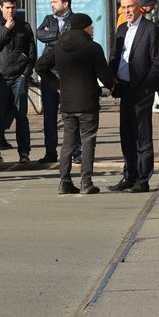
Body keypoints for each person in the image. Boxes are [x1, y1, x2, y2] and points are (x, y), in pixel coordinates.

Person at [36, 13, 116, 195]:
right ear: (84, 27)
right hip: (87, 102)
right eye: (91, 26)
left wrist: (57, 85)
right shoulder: (93, 48)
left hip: (67, 102)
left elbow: (40, 66)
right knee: (88, 141)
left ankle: (65, 182)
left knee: (67, 143)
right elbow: (104, 75)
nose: (93, 29)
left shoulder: (59, 47)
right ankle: (86, 183)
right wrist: (114, 88)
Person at [108, 0, 159, 193]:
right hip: (124, 88)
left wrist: (147, 85)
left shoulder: (150, 29)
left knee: (142, 136)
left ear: (139, 7)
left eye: (130, 7)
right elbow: (115, 56)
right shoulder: (122, 29)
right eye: (124, 8)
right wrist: (111, 79)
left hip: (142, 90)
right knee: (126, 135)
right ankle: (129, 176)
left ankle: (143, 179)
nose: (127, 11)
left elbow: (158, 61)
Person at [0, 0, 37, 165]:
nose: (11, 11)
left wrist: (26, 73)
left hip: (18, 76)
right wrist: (6, 29)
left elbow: (31, 52)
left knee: (21, 116)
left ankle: (24, 153)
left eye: (13, 7)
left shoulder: (24, 26)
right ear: (1, 8)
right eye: (7, 8)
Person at [35, 0, 76, 164]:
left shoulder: (75, 20)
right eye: (51, 2)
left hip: (69, 74)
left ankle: (76, 151)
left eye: (55, 2)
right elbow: (40, 34)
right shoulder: (48, 20)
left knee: (73, 114)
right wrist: (60, 36)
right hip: (50, 73)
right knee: (49, 115)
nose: (52, 5)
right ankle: (50, 152)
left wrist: (54, 38)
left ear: (65, 3)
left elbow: (75, 40)